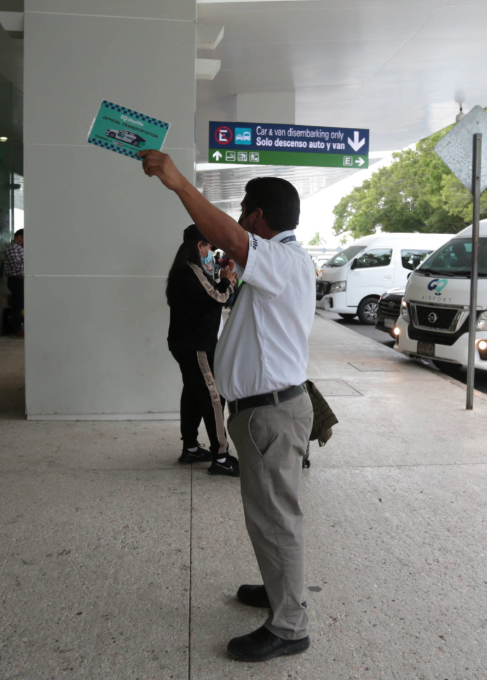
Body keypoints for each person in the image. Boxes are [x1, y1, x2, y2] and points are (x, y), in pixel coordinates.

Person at [140, 149, 316, 663]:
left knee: (276, 519)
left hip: (271, 413)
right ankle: (279, 588)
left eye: (244, 209)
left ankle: (289, 626)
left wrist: (178, 183)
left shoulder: (280, 258)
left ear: (259, 216)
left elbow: (228, 238)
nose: (239, 218)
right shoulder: (283, 262)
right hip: (265, 411)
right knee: (268, 516)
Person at [166, 224, 238, 475]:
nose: (210, 252)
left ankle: (191, 447)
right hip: (197, 347)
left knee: (193, 393)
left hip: (186, 343)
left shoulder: (184, 271)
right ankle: (221, 456)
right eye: (209, 247)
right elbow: (217, 299)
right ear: (199, 245)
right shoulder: (190, 271)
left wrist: (220, 281)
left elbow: (206, 299)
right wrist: (228, 281)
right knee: (213, 397)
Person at [4, 229, 25, 338]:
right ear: (19, 237)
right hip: (16, 280)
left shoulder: (20, 248)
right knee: (17, 305)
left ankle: (21, 326)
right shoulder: (13, 248)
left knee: (21, 304)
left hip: (22, 279)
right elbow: (16, 265)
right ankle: (16, 329)